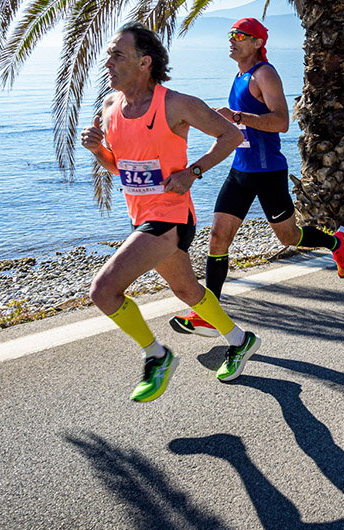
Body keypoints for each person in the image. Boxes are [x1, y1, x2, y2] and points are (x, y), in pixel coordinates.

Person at [80, 22, 255, 401]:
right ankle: (240, 340)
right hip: (140, 214)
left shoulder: (176, 104)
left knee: (104, 290)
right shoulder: (110, 107)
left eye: (117, 54)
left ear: (145, 62)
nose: (107, 61)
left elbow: (233, 135)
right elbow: (120, 168)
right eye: (109, 54)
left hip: (171, 216)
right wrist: (98, 150)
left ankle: (156, 355)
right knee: (186, 289)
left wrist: (194, 172)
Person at [168, 18, 344, 351]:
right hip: (241, 168)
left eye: (240, 36)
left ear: (257, 42)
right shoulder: (240, 75)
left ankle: (336, 241)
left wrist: (238, 117)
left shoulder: (264, 74)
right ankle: (210, 312)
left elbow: (281, 121)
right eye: (231, 35)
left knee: (289, 236)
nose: (233, 40)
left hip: (267, 171)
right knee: (217, 237)